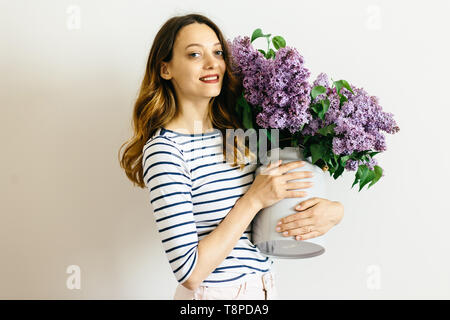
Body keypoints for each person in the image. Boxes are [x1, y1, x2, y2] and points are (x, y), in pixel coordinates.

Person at [118, 13, 344, 300]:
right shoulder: (165, 151)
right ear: (165, 69)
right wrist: (254, 199)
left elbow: (286, 195)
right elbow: (190, 273)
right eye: (194, 54)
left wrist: (335, 211)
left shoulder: (238, 133)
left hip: (263, 287)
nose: (212, 63)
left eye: (218, 52)